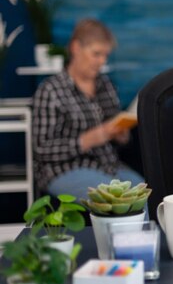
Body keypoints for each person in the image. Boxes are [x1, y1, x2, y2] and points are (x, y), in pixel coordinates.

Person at [32, 18, 144, 199]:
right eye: (96, 54)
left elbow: (116, 132)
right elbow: (42, 149)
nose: (101, 61)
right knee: (116, 197)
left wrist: (121, 135)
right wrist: (89, 139)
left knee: (143, 192)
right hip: (64, 169)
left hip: (108, 165)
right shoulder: (51, 90)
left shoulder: (106, 85)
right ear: (76, 48)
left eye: (105, 55)